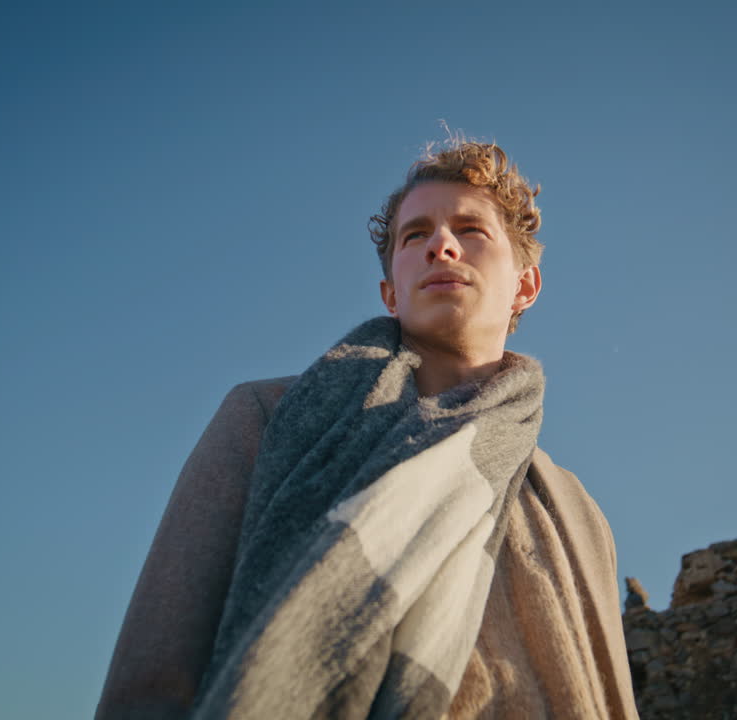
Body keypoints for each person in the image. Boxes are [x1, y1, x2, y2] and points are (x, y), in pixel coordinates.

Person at [96, 141, 640, 719]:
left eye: (471, 229)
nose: (442, 245)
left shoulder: (572, 508)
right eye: (415, 236)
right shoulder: (264, 417)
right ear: (390, 293)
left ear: (525, 286)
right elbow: (155, 670)